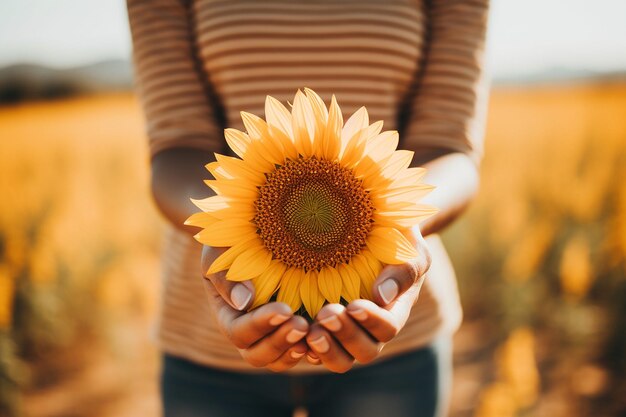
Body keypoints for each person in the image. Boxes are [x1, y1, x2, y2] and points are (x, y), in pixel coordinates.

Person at [127, 0, 490, 416]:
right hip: (208, 340)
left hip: (387, 324)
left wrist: (404, 229)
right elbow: (175, 147)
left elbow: (450, 147)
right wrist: (222, 224)